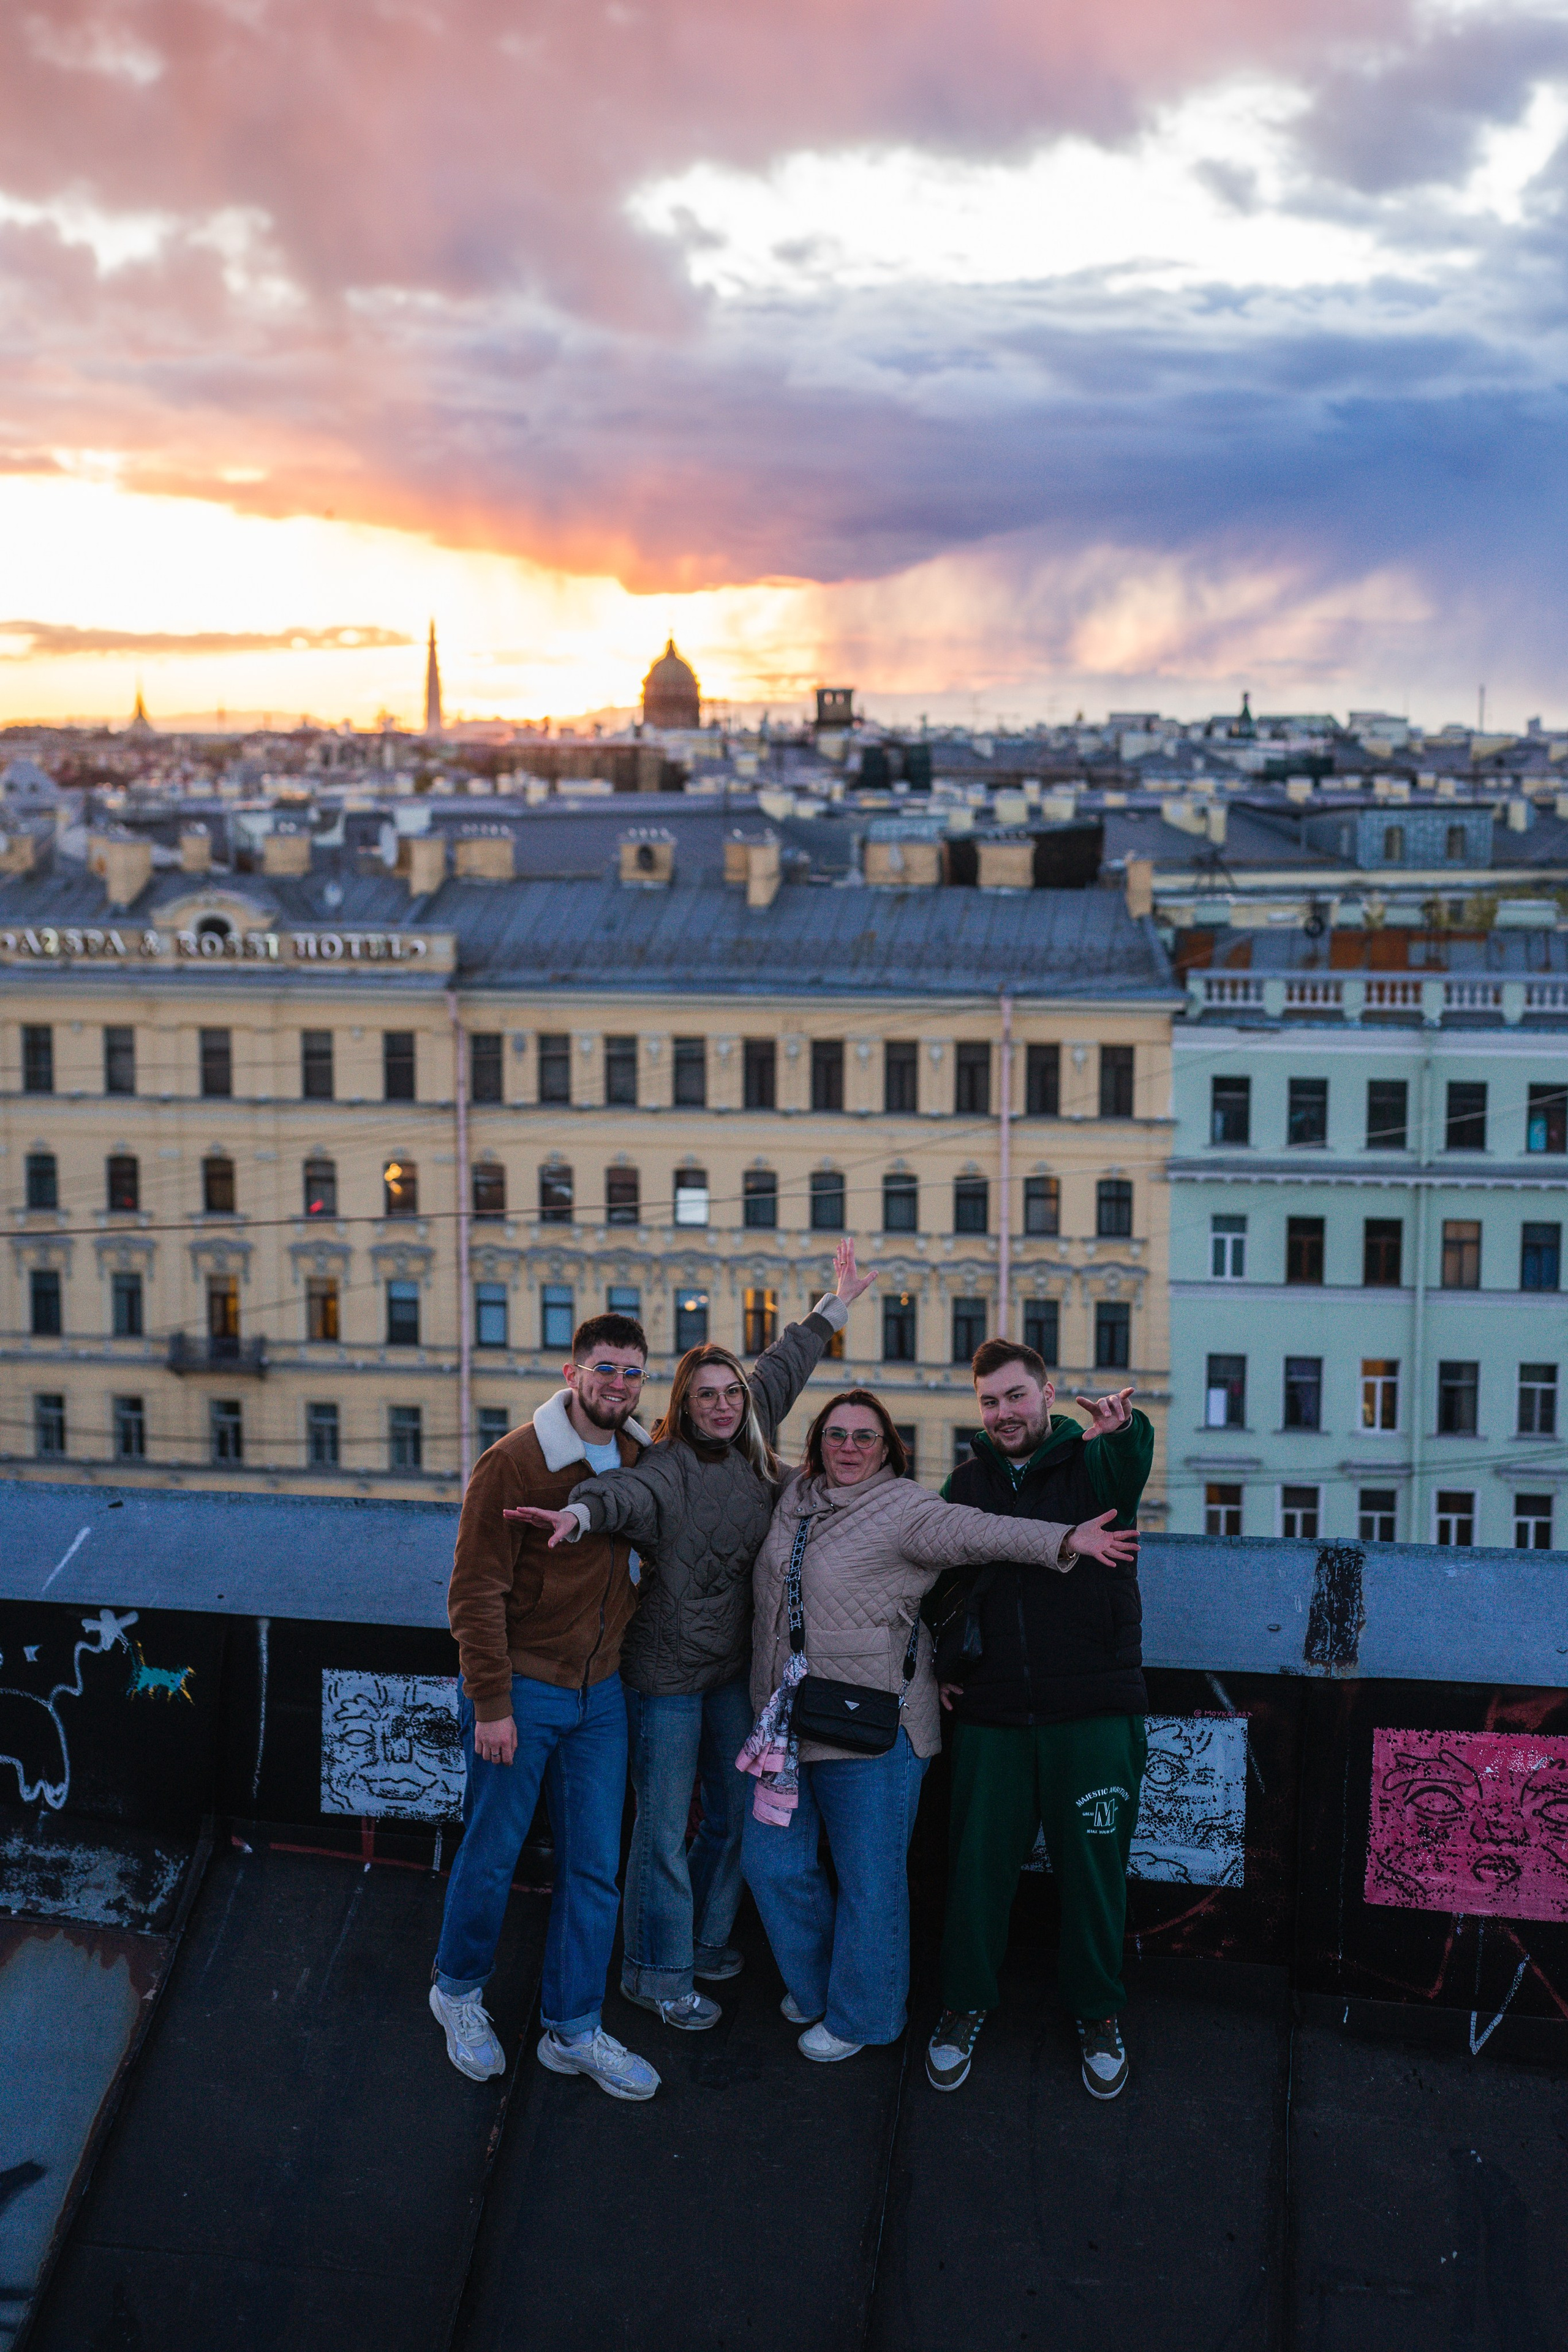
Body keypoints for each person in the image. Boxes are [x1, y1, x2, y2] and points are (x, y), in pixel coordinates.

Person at [508, 1239, 873, 2033]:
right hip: (664, 1678)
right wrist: (577, 1515)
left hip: (732, 1672)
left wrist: (836, 1303)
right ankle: (656, 1972)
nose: (723, 1405)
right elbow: (622, 1497)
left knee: (740, 1817)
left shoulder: (752, 1431)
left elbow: (788, 1361)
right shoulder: (666, 1465)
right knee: (663, 1831)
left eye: (731, 1393)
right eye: (706, 1396)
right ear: (684, 1402)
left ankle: (704, 1941)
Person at [740, 1387, 1140, 2064]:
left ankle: (866, 2015)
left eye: (865, 1437)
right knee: (771, 1864)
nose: (849, 1448)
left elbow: (982, 1532)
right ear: (816, 1444)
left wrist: (1066, 1538)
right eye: (836, 1435)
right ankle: (818, 1987)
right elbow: (739, 1437)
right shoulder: (795, 1497)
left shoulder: (906, 1508)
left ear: (887, 1449)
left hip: (873, 1727)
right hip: (783, 1724)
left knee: (870, 1883)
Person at [429, 1311, 662, 2101]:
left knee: (596, 1870)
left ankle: (574, 2029)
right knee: (492, 1853)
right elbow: (474, 1592)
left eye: (632, 1372)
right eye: (605, 1369)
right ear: (572, 1374)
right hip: (523, 1692)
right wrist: (491, 1702)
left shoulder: (640, 1458)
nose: (618, 1385)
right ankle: (457, 1991)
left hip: (603, 1696)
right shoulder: (515, 1462)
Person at [925, 1339, 1152, 2103]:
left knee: (1093, 1876)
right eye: (990, 1401)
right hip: (991, 1711)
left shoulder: (1092, 1461)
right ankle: (963, 2005)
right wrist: (941, 1669)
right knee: (976, 1873)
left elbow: (1130, 1462)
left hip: (1092, 1707)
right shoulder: (965, 1482)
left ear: (1047, 1395)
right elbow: (943, 1585)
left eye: (1016, 1396)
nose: (1003, 1413)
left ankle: (1097, 2013)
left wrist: (1123, 1430)